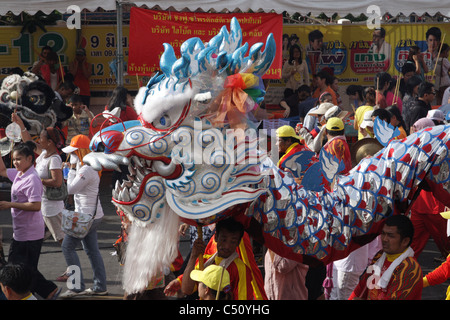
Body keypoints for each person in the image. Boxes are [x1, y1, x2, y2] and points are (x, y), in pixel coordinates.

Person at [0, 141, 59, 300]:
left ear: (29, 159)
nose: (15, 162)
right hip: (20, 231)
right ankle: (49, 291)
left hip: (30, 233)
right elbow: (3, 170)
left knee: (20, 269)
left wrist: (10, 204)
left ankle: (43, 292)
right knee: (23, 268)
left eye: (19, 159)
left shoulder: (32, 178)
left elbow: (35, 206)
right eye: (14, 159)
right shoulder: (19, 173)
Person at [58, 134, 108, 298]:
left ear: (80, 152)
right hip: (90, 216)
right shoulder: (86, 166)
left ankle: (76, 286)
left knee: (67, 247)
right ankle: (100, 286)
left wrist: (71, 169)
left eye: (73, 152)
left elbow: (71, 189)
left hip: (86, 218)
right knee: (92, 250)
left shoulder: (86, 168)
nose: (71, 155)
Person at [12, 113, 66, 244]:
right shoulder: (43, 154)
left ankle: (73, 263)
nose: (39, 141)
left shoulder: (54, 159)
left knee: (63, 241)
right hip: (44, 205)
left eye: (41, 139)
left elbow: (57, 182)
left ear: (49, 142)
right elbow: (29, 142)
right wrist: (21, 125)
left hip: (52, 208)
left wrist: (37, 181)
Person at [349, 215, 423, 300]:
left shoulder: (409, 268)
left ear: (405, 241)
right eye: (383, 234)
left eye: (390, 236)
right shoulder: (379, 256)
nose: (384, 239)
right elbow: (361, 287)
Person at [178, 218, 254, 300]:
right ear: (216, 237)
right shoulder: (204, 260)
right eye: (224, 240)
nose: (227, 246)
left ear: (238, 243)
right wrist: (193, 256)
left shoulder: (241, 269)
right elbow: (187, 290)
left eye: (232, 241)